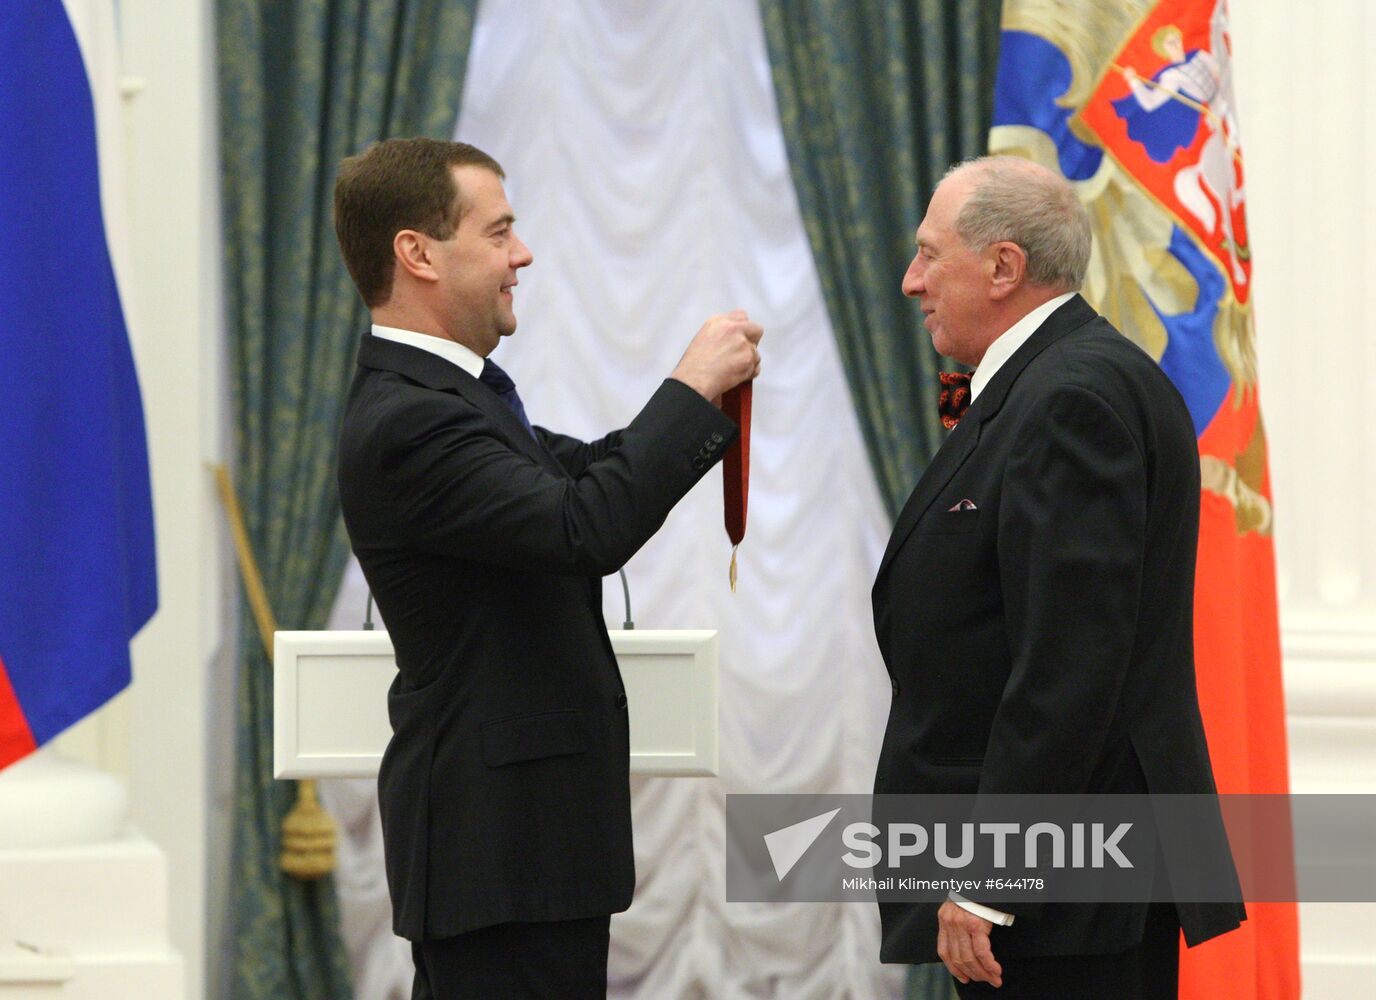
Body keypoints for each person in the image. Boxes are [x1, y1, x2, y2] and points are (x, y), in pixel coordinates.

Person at [333, 138, 760, 999]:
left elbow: (591, 472)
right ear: (417, 253)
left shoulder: (459, 396)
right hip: (497, 855)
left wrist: (702, 405)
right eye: (498, 233)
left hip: (523, 850)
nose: (521, 254)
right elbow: (583, 528)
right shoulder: (412, 420)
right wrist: (687, 385)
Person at [870, 156, 1244, 998]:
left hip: (1066, 893)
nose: (909, 281)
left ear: (1004, 268)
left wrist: (991, 878)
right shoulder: (1057, 381)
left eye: (930, 255)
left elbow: (1068, 669)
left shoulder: (1071, 399)